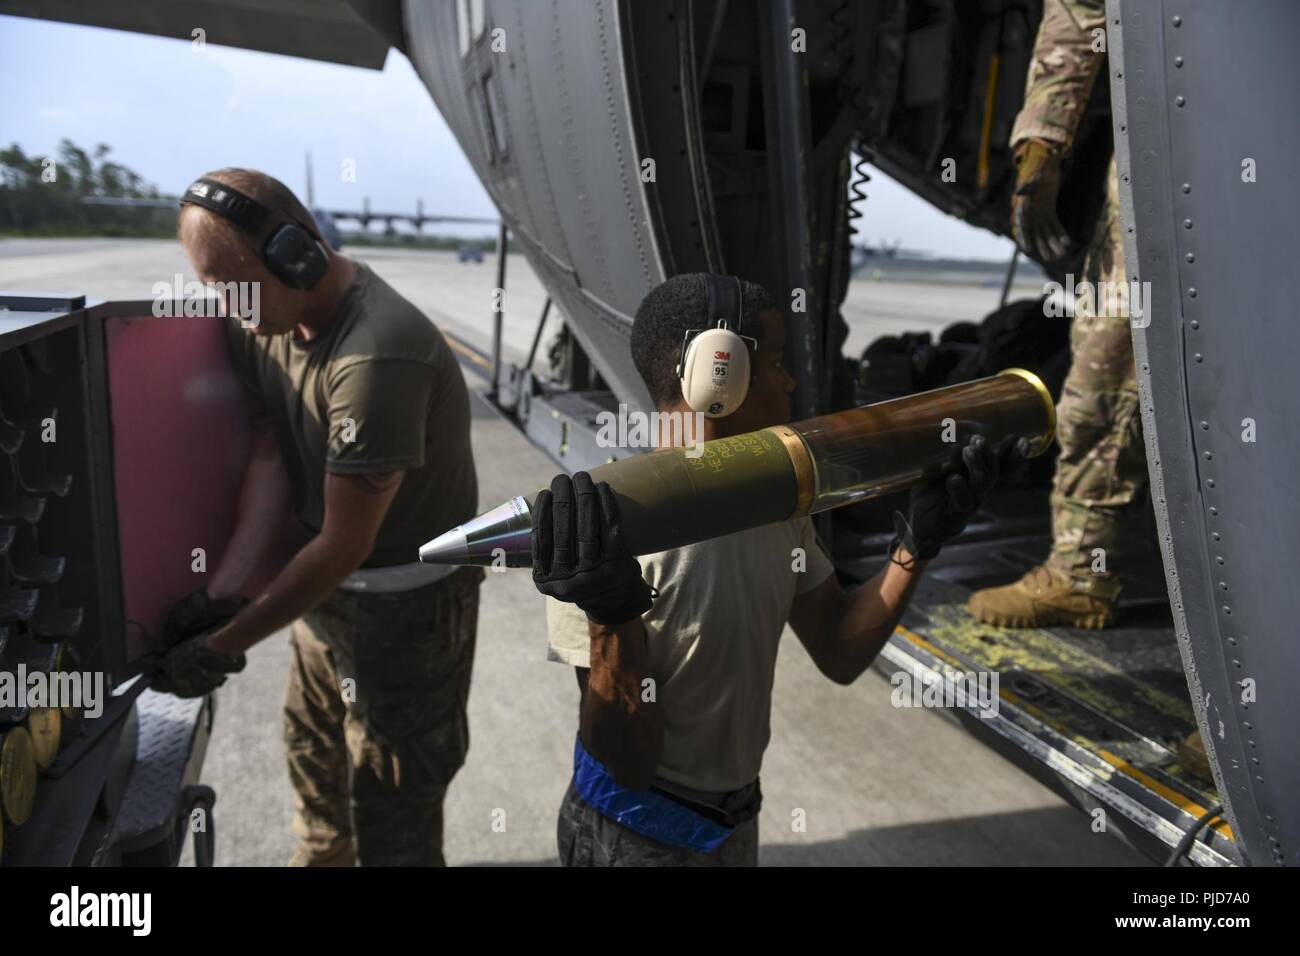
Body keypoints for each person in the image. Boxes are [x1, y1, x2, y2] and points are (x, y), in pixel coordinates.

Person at [532, 273, 1016, 866]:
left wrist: (914, 548)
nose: (790, 381)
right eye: (778, 362)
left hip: (731, 825)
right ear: (719, 371)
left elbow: (838, 651)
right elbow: (629, 763)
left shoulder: (776, 505)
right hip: (633, 840)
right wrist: (610, 618)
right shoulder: (603, 530)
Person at [155, 168, 483, 865]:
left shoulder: (376, 354)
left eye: (238, 282)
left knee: (393, 809)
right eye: (214, 288)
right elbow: (272, 459)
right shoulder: (262, 320)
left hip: (409, 617)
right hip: (325, 605)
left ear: (294, 253)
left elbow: (342, 543)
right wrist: (225, 595)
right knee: (315, 772)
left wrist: (225, 644)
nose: (231, 307)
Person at [968, 0, 1146, 631]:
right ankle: (1080, 569)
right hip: (1164, 164)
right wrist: (1042, 142)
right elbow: (1082, 9)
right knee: (1104, 369)